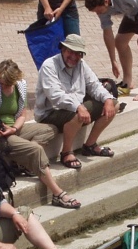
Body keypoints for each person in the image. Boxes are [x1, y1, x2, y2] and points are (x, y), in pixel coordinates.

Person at [0, 59, 81, 209]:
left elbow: (22, 115)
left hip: (13, 129)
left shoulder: (20, 86)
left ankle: (24, 160)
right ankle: (58, 194)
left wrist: (13, 129)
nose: (4, 85)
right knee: (36, 150)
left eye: (7, 83)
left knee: (50, 129)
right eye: (2, 82)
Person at [35, 34, 117, 170]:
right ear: (63, 49)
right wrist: (78, 106)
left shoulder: (82, 65)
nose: (74, 56)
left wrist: (108, 99)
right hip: (50, 114)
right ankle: (66, 152)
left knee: (114, 104)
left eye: (78, 53)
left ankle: (90, 145)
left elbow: (95, 85)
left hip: (75, 109)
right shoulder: (49, 66)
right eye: (70, 52)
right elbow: (56, 96)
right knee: (76, 114)